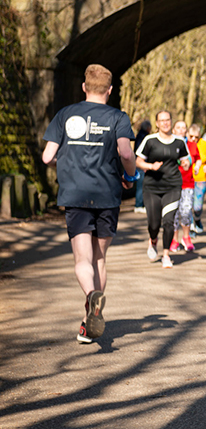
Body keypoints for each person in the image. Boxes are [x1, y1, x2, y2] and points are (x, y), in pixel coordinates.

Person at [42, 64, 138, 344]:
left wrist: (68, 159)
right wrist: (130, 176)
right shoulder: (118, 117)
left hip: (75, 194)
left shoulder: (65, 114)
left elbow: (48, 157)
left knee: (82, 260)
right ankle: (89, 320)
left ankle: (90, 298)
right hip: (108, 193)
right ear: (110, 90)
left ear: (84, 87)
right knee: (99, 259)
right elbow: (125, 151)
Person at [136, 110, 191, 268]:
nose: (165, 123)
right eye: (162, 120)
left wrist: (186, 164)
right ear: (157, 123)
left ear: (171, 122)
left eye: (168, 120)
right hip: (152, 187)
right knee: (154, 223)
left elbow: (184, 160)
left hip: (172, 186)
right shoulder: (150, 140)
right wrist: (150, 166)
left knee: (168, 222)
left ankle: (166, 254)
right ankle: (153, 240)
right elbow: (138, 161)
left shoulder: (179, 142)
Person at [168, 120, 199, 253]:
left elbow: (198, 158)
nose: (181, 130)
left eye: (183, 128)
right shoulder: (168, 144)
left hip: (188, 183)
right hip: (172, 184)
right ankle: (174, 240)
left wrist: (197, 166)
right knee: (174, 213)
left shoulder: (191, 145)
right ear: (173, 130)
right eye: (178, 127)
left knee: (186, 212)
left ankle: (186, 238)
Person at [188, 123, 206, 235]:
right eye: (191, 136)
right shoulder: (184, 143)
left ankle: (197, 219)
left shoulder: (204, 144)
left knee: (197, 206)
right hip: (187, 178)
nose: (193, 139)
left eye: (196, 137)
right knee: (188, 205)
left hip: (201, 178)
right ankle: (191, 229)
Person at [133, 119, 151, 214]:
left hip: (140, 163)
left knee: (141, 185)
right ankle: (139, 205)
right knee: (141, 185)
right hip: (141, 164)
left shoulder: (140, 136)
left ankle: (140, 204)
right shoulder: (143, 137)